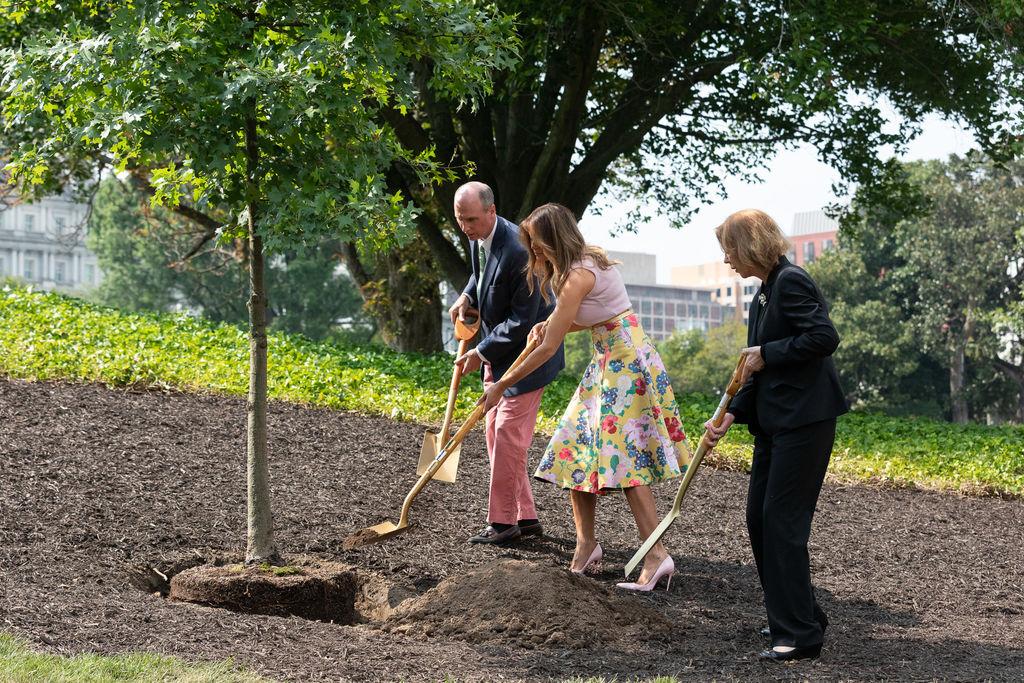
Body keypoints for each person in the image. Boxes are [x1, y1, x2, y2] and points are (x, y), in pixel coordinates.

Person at [478, 202, 689, 591]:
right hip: (612, 356)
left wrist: (501, 385)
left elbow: (547, 349)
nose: (534, 253)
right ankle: (586, 546)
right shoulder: (588, 260)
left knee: (626, 464)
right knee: (575, 450)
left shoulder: (578, 275)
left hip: (624, 365)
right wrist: (552, 322)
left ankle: (656, 556)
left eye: (538, 244)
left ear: (555, 239)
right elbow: (598, 315)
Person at [702, 209, 848, 662]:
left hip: (805, 422)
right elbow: (754, 366)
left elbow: (824, 337)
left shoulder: (791, 282)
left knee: (782, 523)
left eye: (728, 248)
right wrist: (732, 413)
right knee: (759, 519)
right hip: (773, 423)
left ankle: (800, 635)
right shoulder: (764, 292)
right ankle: (797, 613)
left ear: (747, 245)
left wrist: (769, 351)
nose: (726, 259)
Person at [449, 182, 565, 546]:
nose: (465, 227)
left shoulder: (519, 249)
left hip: (530, 356)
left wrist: (480, 352)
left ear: (491, 211)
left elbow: (523, 320)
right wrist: (467, 294)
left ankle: (502, 524)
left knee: (507, 436)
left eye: (470, 219)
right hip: (499, 356)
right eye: (459, 220)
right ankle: (525, 516)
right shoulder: (478, 235)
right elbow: (480, 273)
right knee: (494, 431)